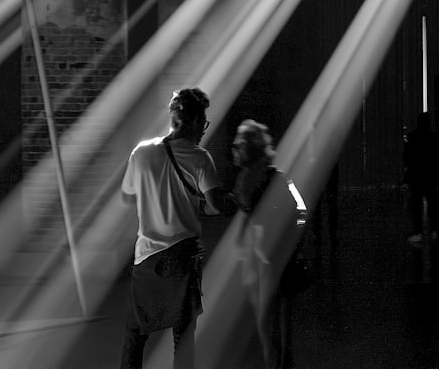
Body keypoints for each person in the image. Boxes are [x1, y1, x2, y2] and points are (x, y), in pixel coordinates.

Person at [119, 87, 236, 369]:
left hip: (146, 258)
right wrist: (192, 204)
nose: (204, 130)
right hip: (182, 258)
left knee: (136, 334)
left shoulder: (141, 153)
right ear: (193, 121)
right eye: (203, 123)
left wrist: (156, 198)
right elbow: (216, 206)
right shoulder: (199, 158)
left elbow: (127, 197)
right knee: (183, 338)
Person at [232, 119, 308, 369]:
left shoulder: (247, 182)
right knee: (282, 321)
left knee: (267, 326)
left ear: (251, 150)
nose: (234, 149)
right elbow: (302, 211)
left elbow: (250, 220)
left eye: (239, 146)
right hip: (277, 256)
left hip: (264, 261)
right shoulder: (278, 177)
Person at [402, 111, 439, 244]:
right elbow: (438, 158)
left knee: (416, 207)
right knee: (432, 205)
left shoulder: (412, 137)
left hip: (417, 177)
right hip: (430, 176)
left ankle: (418, 232)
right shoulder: (435, 138)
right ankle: (434, 231)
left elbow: (406, 158)